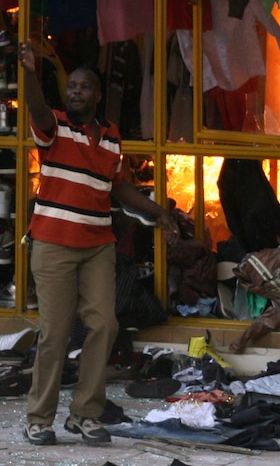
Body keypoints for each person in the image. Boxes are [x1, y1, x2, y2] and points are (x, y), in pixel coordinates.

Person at [19, 40, 180, 446]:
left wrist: (159, 212)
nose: (75, 92)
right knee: (55, 332)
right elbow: (37, 109)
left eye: (83, 87)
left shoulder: (110, 137)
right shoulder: (53, 126)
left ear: (97, 95)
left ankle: (85, 415)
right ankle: (39, 418)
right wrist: (29, 72)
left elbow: (118, 188)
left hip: (97, 245)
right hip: (54, 242)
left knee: (105, 324)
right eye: (71, 86)